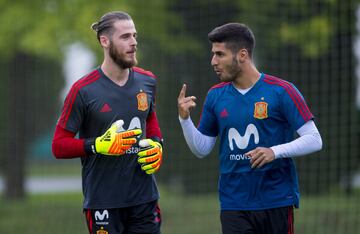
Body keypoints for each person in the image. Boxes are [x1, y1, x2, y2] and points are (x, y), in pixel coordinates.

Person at [177, 23, 322, 234]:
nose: (213, 62)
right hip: (234, 205)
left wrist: (274, 151)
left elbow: (314, 139)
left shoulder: (282, 91)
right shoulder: (215, 96)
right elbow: (201, 149)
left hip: (276, 201)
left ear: (242, 55)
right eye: (213, 54)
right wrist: (184, 119)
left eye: (220, 54)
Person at [52, 11, 163, 234]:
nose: (133, 43)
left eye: (134, 36)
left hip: (145, 199)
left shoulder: (148, 80)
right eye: (125, 37)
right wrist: (97, 145)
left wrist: (157, 143)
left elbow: (150, 118)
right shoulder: (82, 90)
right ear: (105, 41)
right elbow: (58, 145)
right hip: (103, 203)